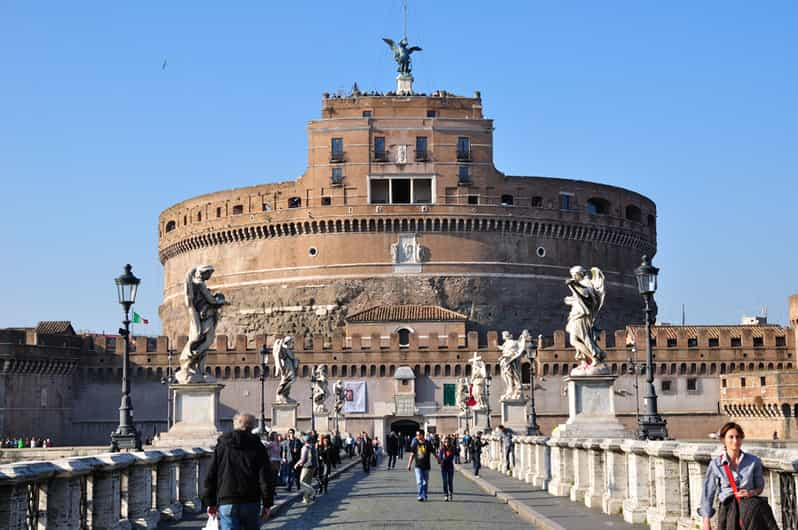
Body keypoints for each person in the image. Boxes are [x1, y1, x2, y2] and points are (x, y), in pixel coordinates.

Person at [699, 422, 776, 530]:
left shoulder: (754, 461)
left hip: (750, 512)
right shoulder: (716, 464)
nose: (735, 441)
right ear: (723, 440)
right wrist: (706, 521)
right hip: (728, 513)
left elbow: (759, 487)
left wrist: (750, 493)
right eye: (731, 437)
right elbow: (708, 494)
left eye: (738, 437)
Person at [203, 413, 273, 530]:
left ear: (234, 425)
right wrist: (267, 503)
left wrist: (210, 501)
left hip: (227, 498)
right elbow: (265, 477)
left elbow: (212, 474)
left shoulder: (223, 445)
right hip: (251, 499)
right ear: (252, 426)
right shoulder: (258, 446)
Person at [407, 430, 432, 501]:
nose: (417, 436)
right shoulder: (415, 444)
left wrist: (439, 459)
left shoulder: (428, 443)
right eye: (416, 435)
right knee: (419, 481)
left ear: (422, 435)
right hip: (418, 466)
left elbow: (433, 452)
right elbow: (412, 455)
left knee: (425, 482)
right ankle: (420, 495)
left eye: (418, 435)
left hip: (426, 465)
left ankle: (425, 494)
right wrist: (409, 464)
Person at [294, 434, 318, 504]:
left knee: (302, 482)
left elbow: (303, 459)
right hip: (313, 466)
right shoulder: (313, 447)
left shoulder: (304, 448)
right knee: (308, 482)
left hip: (306, 466)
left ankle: (312, 491)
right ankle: (306, 499)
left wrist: (297, 464)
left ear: (304, 441)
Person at [436, 436, 456, 501]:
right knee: (445, 482)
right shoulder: (442, 449)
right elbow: (439, 457)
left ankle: (451, 492)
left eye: (448, 442)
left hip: (450, 467)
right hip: (443, 467)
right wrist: (439, 460)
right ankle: (446, 495)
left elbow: (454, 455)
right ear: (444, 442)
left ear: (450, 442)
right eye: (445, 442)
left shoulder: (452, 448)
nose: (446, 443)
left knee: (450, 481)